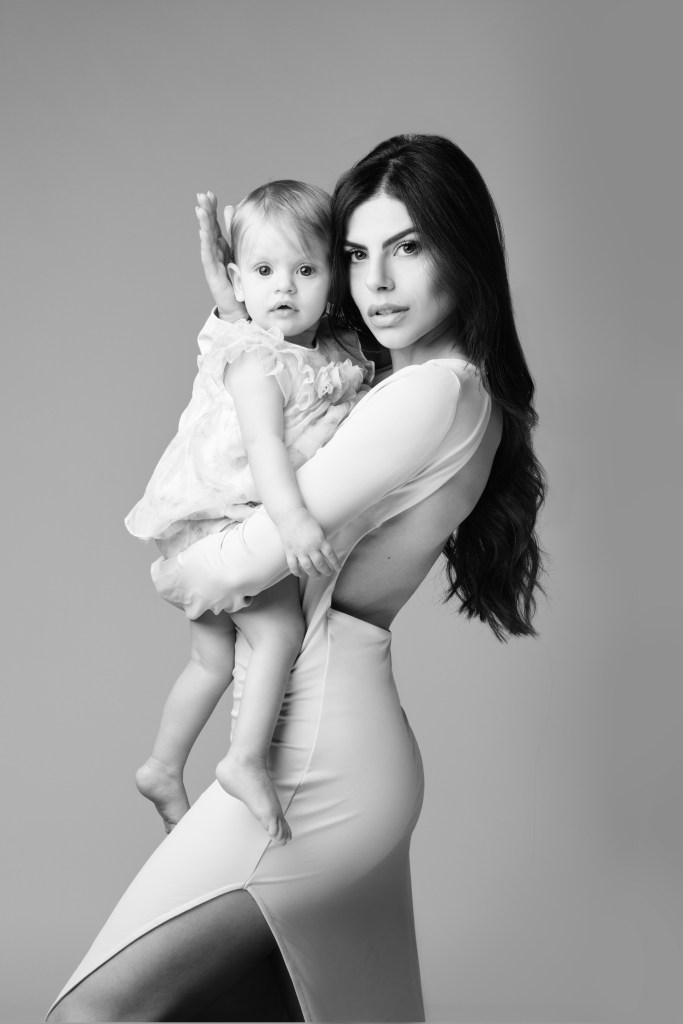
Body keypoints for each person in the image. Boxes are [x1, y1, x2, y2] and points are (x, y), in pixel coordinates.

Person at [47, 134, 546, 1023]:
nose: (376, 282)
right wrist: (234, 301)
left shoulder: (429, 394)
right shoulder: (423, 390)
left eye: (408, 247)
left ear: (462, 251)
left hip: (316, 759)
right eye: (355, 254)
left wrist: (175, 566)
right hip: (332, 744)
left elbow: (251, 556)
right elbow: (289, 391)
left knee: (93, 1014)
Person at [126, 181, 372, 840]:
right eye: (264, 272)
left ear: (333, 279)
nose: (284, 287)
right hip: (224, 518)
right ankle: (243, 759)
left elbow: (250, 310)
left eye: (304, 270)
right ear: (239, 281)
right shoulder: (255, 358)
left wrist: (236, 284)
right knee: (279, 634)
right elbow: (264, 446)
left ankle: (161, 765)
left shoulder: (324, 351)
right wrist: (293, 522)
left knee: (210, 661)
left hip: (215, 520)